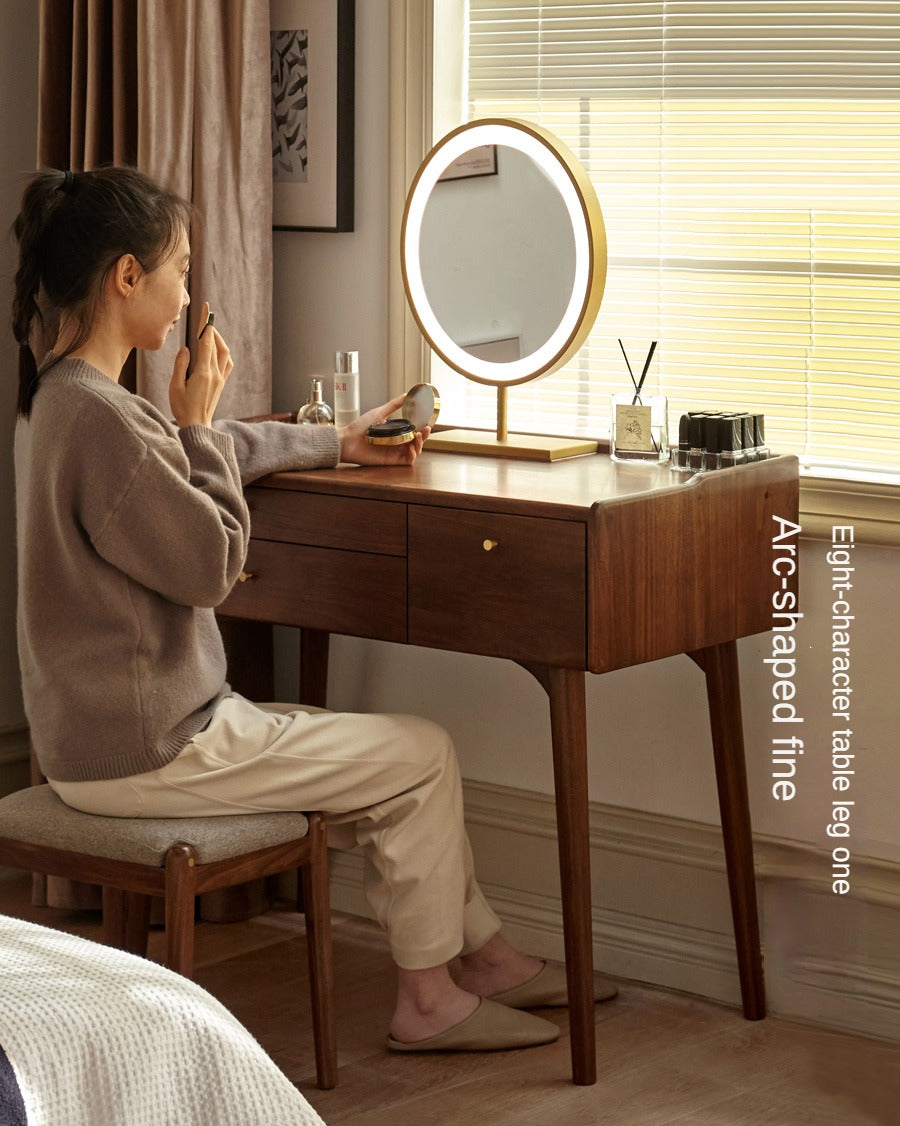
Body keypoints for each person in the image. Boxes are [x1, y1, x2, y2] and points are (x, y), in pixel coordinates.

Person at [11, 165, 615, 1054]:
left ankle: (483, 959)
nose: (187, 296)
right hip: (153, 747)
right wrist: (198, 423)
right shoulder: (112, 422)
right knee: (420, 752)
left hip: (96, 736)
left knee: (376, 759)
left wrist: (332, 441)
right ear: (126, 278)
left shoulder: (64, 399)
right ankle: (430, 1002)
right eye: (178, 269)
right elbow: (214, 561)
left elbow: (181, 463)